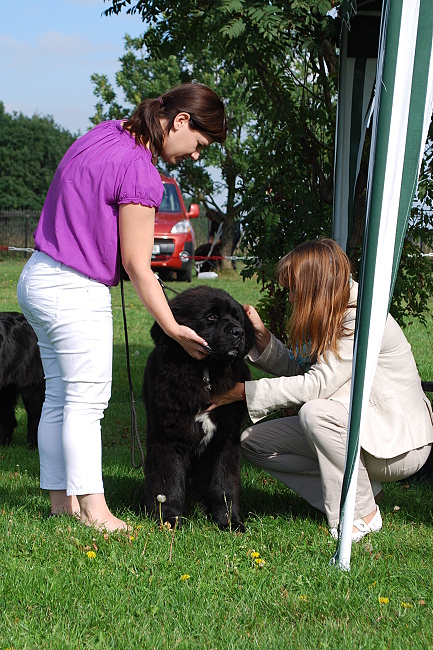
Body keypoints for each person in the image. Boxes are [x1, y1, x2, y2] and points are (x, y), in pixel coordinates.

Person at [17, 82, 227, 531]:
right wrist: (171, 326)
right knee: (87, 403)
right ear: (181, 121)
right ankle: (96, 511)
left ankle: (62, 505)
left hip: (37, 276)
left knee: (59, 397)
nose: (195, 155)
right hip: (74, 288)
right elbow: (138, 264)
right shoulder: (141, 172)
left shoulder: (106, 133)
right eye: (199, 144)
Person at [207, 238, 433, 542]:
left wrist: (242, 392)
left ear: (314, 287)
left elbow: (316, 385)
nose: (291, 299)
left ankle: (362, 513)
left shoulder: (360, 318)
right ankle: (358, 496)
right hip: (363, 429)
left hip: (399, 447)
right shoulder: (335, 311)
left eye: (294, 290)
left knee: (315, 413)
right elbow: (304, 371)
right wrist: (261, 337)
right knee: (254, 442)